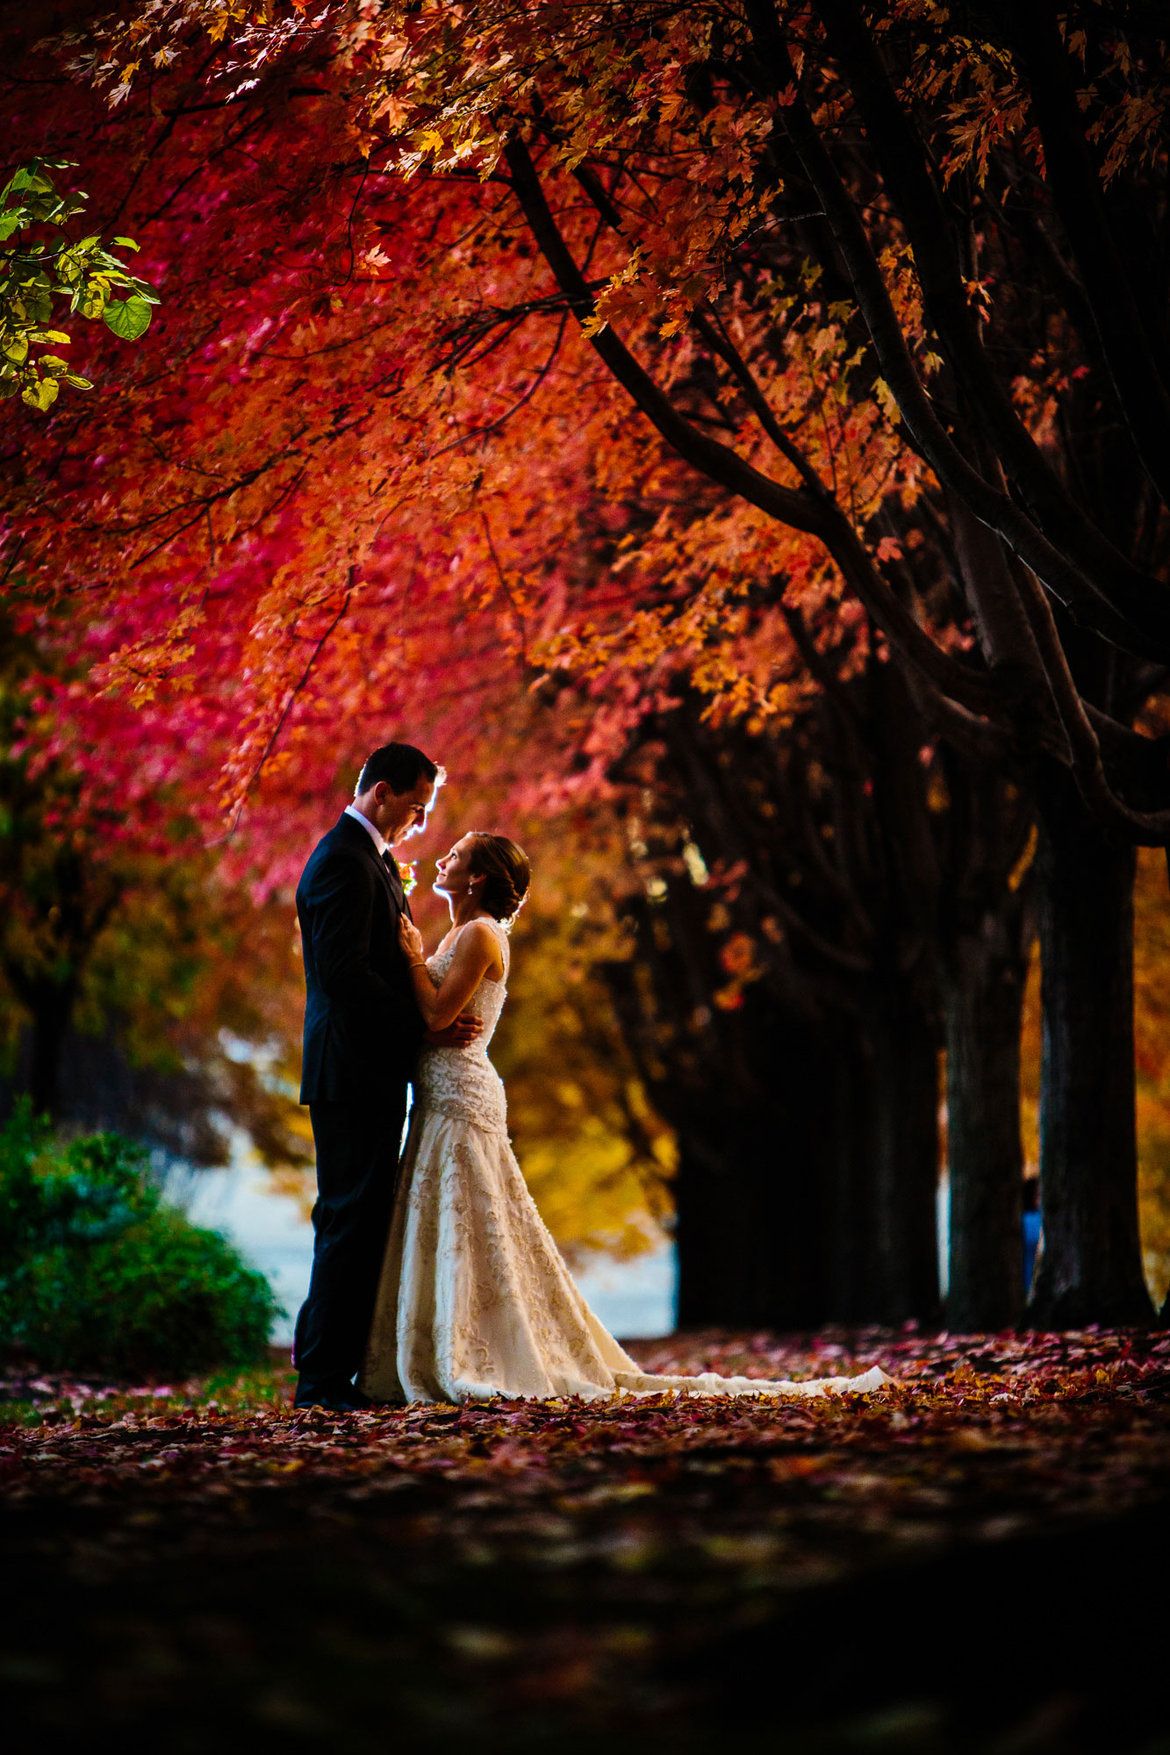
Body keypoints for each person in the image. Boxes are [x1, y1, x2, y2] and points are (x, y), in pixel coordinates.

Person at [360, 831, 886, 1404]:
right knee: (451, 1220)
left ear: (478, 876)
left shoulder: (482, 935)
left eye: (456, 855)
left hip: (461, 1094)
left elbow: (438, 1013)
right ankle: (444, 1343)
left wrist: (411, 955)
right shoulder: (461, 932)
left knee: (469, 1220)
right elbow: (432, 1022)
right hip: (440, 1094)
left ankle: (473, 1351)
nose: (444, 859)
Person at [292, 743, 480, 1413]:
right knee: (349, 1219)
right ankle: (320, 1381)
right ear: (381, 793)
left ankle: (332, 1372)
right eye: (416, 807)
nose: (420, 825)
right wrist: (421, 1026)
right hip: (351, 1069)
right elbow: (345, 976)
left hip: (362, 1068)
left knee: (356, 1219)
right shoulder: (344, 863)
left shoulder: (363, 859)